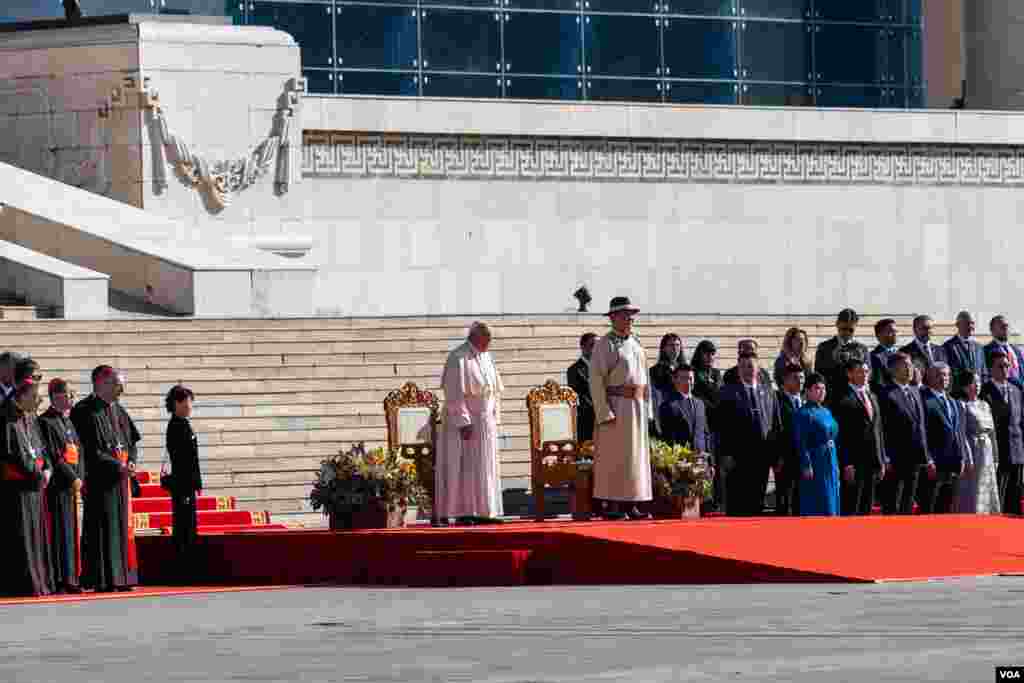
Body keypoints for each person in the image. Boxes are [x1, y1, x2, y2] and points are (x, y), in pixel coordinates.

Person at [71, 366, 139, 591]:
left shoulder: (118, 410)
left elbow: (131, 442)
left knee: (120, 528)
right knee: (101, 529)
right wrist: (117, 465)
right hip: (99, 480)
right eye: (117, 384)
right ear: (101, 383)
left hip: (120, 480)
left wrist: (130, 462)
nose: (122, 389)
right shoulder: (83, 410)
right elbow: (88, 449)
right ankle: (101, 578)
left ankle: (122, 577)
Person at [589, 296, 652, 520]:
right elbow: (596, 380)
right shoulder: (604, 344)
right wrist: (604, 411)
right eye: (625, 314)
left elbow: (646, 379)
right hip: (617, 406)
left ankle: (632, 501)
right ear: (613, 317)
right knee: (615, 457)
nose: (630, 318)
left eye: (631, 314)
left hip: (636, 407)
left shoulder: (636, 343)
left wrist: (648, 408)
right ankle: (614, 503)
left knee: (635, 457)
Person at [437, 322, 505, 525]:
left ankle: (486, 511)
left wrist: (494, 416)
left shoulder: (487, 357)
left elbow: (493, 391)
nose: (490, 342)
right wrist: (463, 421)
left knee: (486, 468)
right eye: (487, 338)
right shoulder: (458, 357)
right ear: (475, 337)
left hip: (486, 422)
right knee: (467, 467)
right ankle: (465, 512)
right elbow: (454, 393)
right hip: (467, 424)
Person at [0, 379, 54, 596]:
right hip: (18, 490)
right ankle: (24, 584)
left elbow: (41, 448)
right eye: (34, 396)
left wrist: (48, 469)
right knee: (22, 538)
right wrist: (38, 473)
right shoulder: (8, 421)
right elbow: (16, 456)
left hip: (35, 487)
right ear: (20, 397)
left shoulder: (30, 419)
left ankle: (39, 583)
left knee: (36, 537)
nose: (38, 399)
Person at [716, 351, 781, 516]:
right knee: (738, 505)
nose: (747, 370)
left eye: (750, 366)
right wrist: (726, 454)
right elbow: (721, 426)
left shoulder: (769, 392)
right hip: (738, 459)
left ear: (757, 368)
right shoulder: (727, 392)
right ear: (738, 369)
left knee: (757, 504)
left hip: (762, 458)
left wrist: (776, 456)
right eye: (743, 366)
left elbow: (775, 425)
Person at [37, 378, 84, 594]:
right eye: (68, 394)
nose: (72, 398)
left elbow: (78, 450)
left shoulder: (68, 421)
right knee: (59, 532)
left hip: (72, 485)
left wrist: (80, 476)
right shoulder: (45, 422)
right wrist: (72, 477)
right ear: (56, 397)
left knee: (71, 532)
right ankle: (59, 578)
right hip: (58, 485)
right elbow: (55, 455)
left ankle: (71, 576)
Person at [879, 353, 932, 514]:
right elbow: (882, 428)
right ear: (894, 370)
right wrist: (885, 456)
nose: (910, 369)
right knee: (893, 503)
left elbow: (921, 424)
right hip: (896, 458)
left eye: (911, 366)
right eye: (906, 366)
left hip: (916, 456)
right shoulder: (885, 394)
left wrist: (927, 454)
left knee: (908, 503)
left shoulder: (916, 391)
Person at [834, 360, 888, 516]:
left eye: (866, 371)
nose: (864, 375)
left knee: (867, 507)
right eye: (859, 371)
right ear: (849, 374)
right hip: (854, 463)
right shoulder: (842, 398)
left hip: (873, 462)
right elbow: (841, 434)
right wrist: (847, 463)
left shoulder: (872, 396)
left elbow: (878, 430)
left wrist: (881, 459)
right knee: (852, 506)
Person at [918, 363, 968, 514]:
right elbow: (923, 433)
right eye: (939, 374)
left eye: (946, 375)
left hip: (952, 464)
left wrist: (962, 457)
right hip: (934, 464)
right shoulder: (923, 400)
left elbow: (959, 432)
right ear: (929, 377)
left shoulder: (953, 402)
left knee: (946, 508)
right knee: (930, 507)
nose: (943, 378)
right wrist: (928, 460)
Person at [980, 351, 1024, 515]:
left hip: (1017, 450)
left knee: (1016, 492)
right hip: (997, 451)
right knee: (1000, 492)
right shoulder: (984, 391)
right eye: (1000, 366)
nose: (1005, 369)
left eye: (1007, 365)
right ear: (991, 369)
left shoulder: (1016, 390)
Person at [165, 385, 202, 573]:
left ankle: (189, 563)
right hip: (182, 485)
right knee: (184, 526)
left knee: (189, 525)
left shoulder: (184, 424)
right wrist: (191, 481)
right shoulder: (176, 425)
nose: (190, 405)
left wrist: (198, 482)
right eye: (187, 401)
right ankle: (183, 566)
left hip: (188, 484)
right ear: (177, 403)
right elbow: (182, 460)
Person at [794, 372, 840, 517]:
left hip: (830, 459)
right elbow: (801, 441)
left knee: (832, 497)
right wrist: (806, 464)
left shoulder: (826, 411)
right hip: (816, 460)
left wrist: (836, 464)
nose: (821, 392)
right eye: (817, 388)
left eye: (823, 389)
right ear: (807, 391)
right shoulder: (803, 413)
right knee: (819, 499)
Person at [959, 373, 1001, 514]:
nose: (977, 385)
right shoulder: (962, 405)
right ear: (965, 387)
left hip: (987, 447)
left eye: (978, 382)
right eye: (972, 382)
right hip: (973, 447)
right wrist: (967, 457)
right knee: (973, 485)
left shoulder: (985, 404)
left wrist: (996, 457)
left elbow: (992, 433)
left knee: (988, 483)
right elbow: (962, 433)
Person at [691, 340, 724, 510]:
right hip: (703, 421)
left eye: (712, 354)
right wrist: (711, 406)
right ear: (700, 354)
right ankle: (704, 499)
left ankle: (717, 500)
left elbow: (721, 393)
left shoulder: (717, 374)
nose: (710, 357)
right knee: (704, 460)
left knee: (716, 463)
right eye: (707, 353)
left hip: (717, 423)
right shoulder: (695, 373)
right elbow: (696, 395)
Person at [814, 308, 870, 408]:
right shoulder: (825, 347)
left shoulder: (862, 349)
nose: (847, 333)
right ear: (837, 324)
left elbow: (868, 376)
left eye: (851, 330)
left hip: (857, 403)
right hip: (833, 402)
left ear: (856, 327)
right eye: (844, 329)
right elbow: (819, 376)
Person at [774, 363, 805, 516]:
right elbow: (774, 431)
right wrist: (777, 457)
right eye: (795, 378)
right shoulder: (776, 400)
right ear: (785, 380)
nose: (800, 381)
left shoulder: (806, 400)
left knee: (800, 503)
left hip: (803, 460)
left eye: (802, 378)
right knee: (784, 503)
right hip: (785, 460)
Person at [658, 364, 710, 454]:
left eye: (690, 378)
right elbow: (668, 439)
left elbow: (705, 433)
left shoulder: (700, 404)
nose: (688, 382)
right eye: (684, 378)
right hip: (682, 461)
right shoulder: (668, 406)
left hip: (701, 460)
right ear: (674, 380)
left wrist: (710, 460)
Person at [943, 311, 988, 396]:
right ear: (957, 325)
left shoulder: (979, 348)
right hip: (958, 397)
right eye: (967, 323)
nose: (971, 326)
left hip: (977, 398)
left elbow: (984, 373)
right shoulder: (947, 347)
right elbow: (947, 375)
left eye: (972, 323)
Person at [649, 333, 685, 437]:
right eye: (671, 345)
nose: (675, 348)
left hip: (684, 413)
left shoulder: (686, 369)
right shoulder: (655, 371)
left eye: (677, 345)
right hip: (665, 414)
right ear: (664, 348)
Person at [567, 333, 597, 444]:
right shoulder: (574, 370)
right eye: (592, 345)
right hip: (586, 421)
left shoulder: (603, 369)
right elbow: (580, 397)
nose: (596, 349)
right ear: (583, 347)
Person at [984, 315, 1024, 386]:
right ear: (992, 330)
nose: (1005, 328)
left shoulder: (1017, 351)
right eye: (1001, 326)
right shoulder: (986, 351)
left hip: (1019, 391)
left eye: (1006, 325)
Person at [869, 318, 899, 396]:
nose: (895, 333)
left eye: (896, 331)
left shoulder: (904, 354)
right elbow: (877, 386)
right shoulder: (872, 357)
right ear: (878, 335)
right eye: (890, 331)